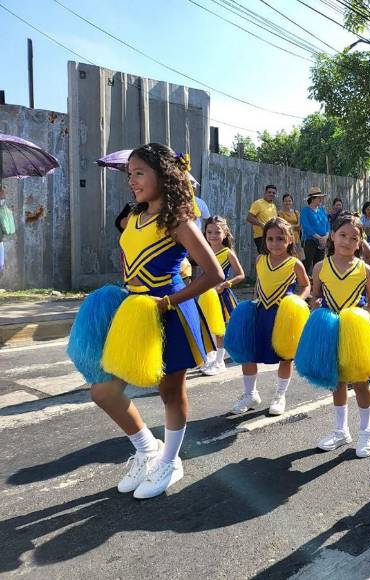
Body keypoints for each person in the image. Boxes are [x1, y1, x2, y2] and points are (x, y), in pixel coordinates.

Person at [75, 143, 224, 499]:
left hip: (169, 311)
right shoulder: (134, 216)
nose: (132, 181)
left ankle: (170, 461)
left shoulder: (179, 221)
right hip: (132, 310)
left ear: (164, 176)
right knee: (103, 390)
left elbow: (213, 273)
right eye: (130, 174)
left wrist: (169, 301)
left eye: (139, 173)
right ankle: (146, 448)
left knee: (170, 391)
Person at [307, 213, 370, 457]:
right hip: (330, 331)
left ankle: (366, 429)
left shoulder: (364, 269)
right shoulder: (320, 267)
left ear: (360, 243)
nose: (347, 241)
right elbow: (316, 296)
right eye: (342, 235)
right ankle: (341, 431)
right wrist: (314, 304)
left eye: (353, 238)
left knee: (359, 382)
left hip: (355, 332)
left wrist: (367, 317)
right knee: (336, 380)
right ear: (332, 236)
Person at [229, 217, 310, 416]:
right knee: (249, 352)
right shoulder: (260, 260)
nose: (275, 243)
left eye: (280, 239)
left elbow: (306, 285)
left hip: (283, 315)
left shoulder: (294, 263)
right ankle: (250, 394)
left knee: (285, 356)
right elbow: (259, 284)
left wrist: (297, 302)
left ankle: (280, 395)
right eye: (270, 239)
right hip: (259, 313)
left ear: (290, 239)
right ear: (265, 240)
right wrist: (254, 303)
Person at [200, 216, 245, 376]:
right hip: (206, 295)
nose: (213, 235)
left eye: (217, 232)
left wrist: (226, 284)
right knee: (207, 326)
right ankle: (212, 357)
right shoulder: (204, 250)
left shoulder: (228, 253)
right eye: (209, 232)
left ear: (225, 233)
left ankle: (220, 362)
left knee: (220, 329)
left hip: (221, 295)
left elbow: (241, 275)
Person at [300, 187, 329, 273]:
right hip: (309, 241)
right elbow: (306, 226)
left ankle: (317, 284)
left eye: (321, 197)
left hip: (323, 241)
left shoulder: (322, 210)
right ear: (312, 199)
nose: (321, 199)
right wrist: (319, 238)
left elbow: (327, 224)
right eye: (319, 198)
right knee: (307, 264)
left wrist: (326, 237)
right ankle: (304, 284)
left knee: (319, 265)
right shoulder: (305, 211)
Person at [247, 185, 278, 252]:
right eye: (269, 192)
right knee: (264, 257)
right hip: (261, 236)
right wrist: (261, 224)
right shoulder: (258, 203)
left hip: (271, 236)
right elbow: (249, 217)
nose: (271, 194)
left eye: (273, 193)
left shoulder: (273, 205)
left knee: (270, 257)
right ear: (265, 193)